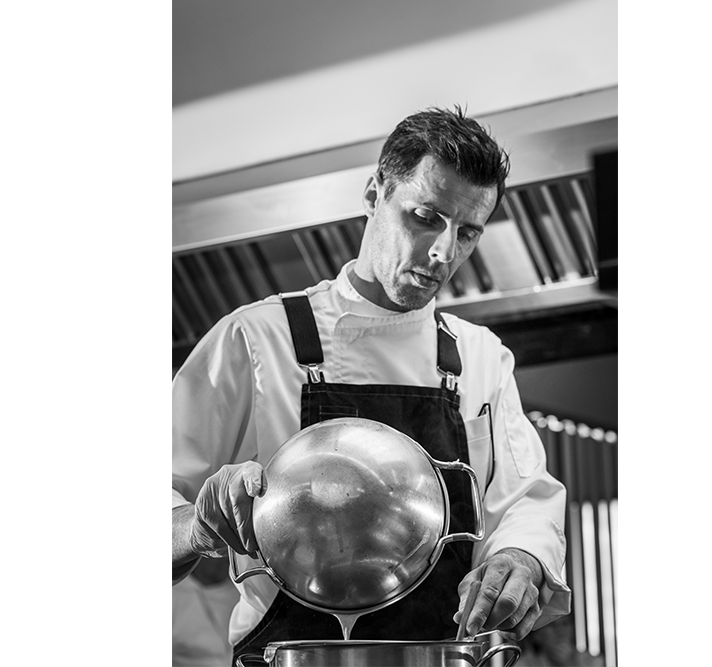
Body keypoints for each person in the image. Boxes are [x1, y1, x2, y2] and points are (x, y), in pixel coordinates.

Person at [172, 106, 572, 660]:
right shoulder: (257, 339)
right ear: (373, 193)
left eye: (467, 233)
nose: (443, 253)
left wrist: (521, 558)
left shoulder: (479, 358)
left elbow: (526, 501)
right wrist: (197, 526)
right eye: (425, 217)